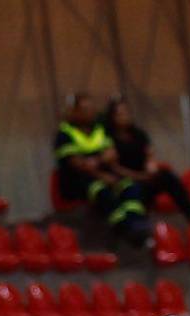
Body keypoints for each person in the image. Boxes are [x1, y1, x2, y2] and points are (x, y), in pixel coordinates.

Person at [55, 93, 148, 247]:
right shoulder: (64, 134)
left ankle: (136, 223)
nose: (91, 113)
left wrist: (96, 163)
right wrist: (100, 167)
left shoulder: (99, 129)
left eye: (92, 109)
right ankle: (124, 228)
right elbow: (79, 165)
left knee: (129, 186)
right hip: (77, 182)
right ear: (75, 112)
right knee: (100, 190)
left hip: (104, 174)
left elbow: (111, 154)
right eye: (85, 109)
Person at [103, 99, 190, 222]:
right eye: (120, 114)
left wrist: (150, 167)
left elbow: (149, 155)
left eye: (127, 113)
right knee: (132, 190)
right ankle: (136, 226)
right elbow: (113, 167)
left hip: (144, 177)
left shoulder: (139, 134)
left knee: (167, 176)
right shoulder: (108, 138)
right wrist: (138, 176)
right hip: (124, 182)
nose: (125, 117)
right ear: (112, 117)